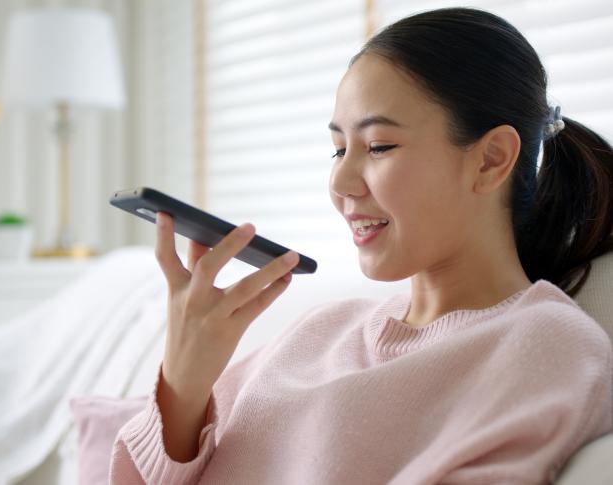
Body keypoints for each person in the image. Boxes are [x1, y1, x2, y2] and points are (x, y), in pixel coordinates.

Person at [110, 7, 613, 484]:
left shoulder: (546, 346)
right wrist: (183, 381)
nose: (342, 182)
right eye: (338, 148)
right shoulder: (319, 332)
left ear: (491, 159)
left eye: (378, 147)